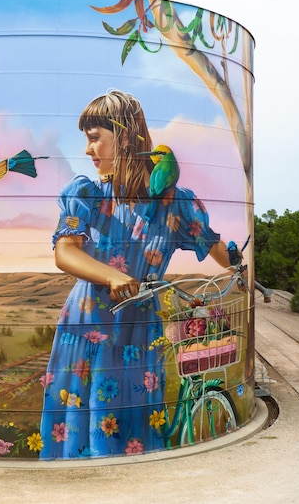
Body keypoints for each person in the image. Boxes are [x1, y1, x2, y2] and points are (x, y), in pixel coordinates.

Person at [38, 90, 236, 459]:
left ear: (125, 136)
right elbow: (65, 252)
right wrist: (111, 276)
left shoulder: (175, 204)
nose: (87, 149)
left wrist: (244, 268)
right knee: (87, 429)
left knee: (136, 429)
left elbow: (215, 247)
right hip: (90, 327)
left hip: (141, 331)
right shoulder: (88, 194)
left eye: (95, 137)